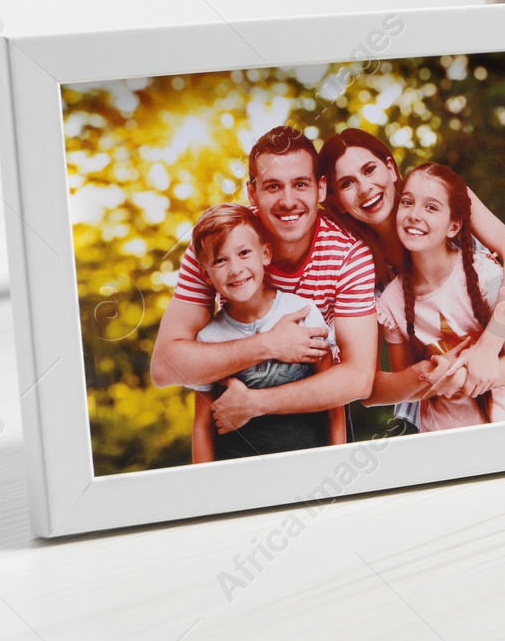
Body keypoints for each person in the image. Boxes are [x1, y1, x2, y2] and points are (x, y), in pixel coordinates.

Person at [151, 127, 399, 437]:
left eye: (300, 184)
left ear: (321, 189)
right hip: (235, 426)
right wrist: (269, 345)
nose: (288, 200)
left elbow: (358, 379)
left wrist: (255, 403)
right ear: (252, 193)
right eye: (272, 187)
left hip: (310, 420)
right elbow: (164, 367)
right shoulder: (218, 246)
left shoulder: (349, 254)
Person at [315, 128, 505, 418]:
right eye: (348, 183)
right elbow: (370, 388)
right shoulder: (357, 264)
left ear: (390, 168)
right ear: (336, 200)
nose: (364, 188)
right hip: (444, 402)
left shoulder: (440, 191)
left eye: (370, 169)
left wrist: (487, 350)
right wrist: (433, 376)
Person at [364, 164, 505, 430]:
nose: (414, 215)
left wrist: (461, 377)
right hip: (442, 434)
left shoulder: (484, 273)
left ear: (454, 226)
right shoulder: (391, 303)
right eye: (407, 203)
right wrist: (435, 378)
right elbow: (403, 384)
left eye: (431, 207)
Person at [184, 204, 346, 462]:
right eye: (220, 260)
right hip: (241, 475)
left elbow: (334, 403)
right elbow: (202, 426)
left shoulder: (301, 313)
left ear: (265, 254)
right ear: (206, 274)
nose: (235, 268)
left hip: (310, 465)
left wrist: (339, 461)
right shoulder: (209, 340)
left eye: (244, 253)